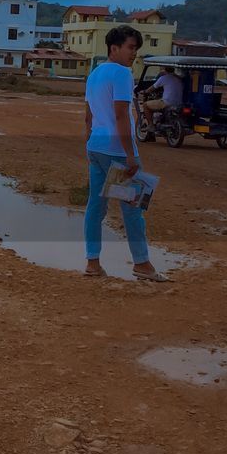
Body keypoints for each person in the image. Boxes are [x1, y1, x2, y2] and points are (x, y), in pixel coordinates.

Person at [84, 26, 167, 282]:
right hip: (117, 151)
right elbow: (121, 114)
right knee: (133, 209)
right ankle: (142, 264)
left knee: (95, 208)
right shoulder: (122, 73)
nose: (134, 54)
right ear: (114, 48)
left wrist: (90, 142)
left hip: (97, 147)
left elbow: (88, 116)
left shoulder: (95, 73)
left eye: (136, 49)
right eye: (131, 47)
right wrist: (130, 155)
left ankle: (92, 263)